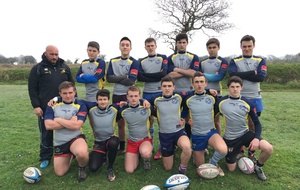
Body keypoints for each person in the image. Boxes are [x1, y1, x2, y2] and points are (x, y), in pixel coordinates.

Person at [215, 76, 273, 181]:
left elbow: (257, 124)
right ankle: (234, 152)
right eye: (232, 87)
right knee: (231, 169)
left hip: (245, 134)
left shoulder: (248, 103)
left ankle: (258, 166)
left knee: (268, 148)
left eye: (237, 86)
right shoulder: (221, 102)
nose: (235, 89)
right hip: (230, 138)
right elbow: (212, 117)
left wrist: (256, 138)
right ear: (228, 88)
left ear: (242, 87)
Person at [28, 45, 75, 169]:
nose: (54, 57)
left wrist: (75, 102)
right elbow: (32, 89)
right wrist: (36, 106)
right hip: (45, 108)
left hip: (65, 106)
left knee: (67, 129)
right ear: (45, 53)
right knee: (46, 133)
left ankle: (69, 152)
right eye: (52, 54)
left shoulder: (64, 67)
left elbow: (72, 87)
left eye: (56, 54)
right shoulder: (37, 69)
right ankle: (45, 157)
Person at [229, 35, 267, 161]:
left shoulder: (260, 60)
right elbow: (232, 75)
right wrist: (252, 73)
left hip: (255, 97)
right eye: (244, 46)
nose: (246, 48)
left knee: (252, 125)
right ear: (240, 47)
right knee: (239, 123)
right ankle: (239, 149)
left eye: (249, 46)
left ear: (253, 46)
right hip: (239, 97)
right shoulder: (234, 61)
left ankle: (251, 152)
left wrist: (241, 76)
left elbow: (261, 77)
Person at [44, 81, 89, 182]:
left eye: (70, 92)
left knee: (82, 153)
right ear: (59, 93)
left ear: (74, 92)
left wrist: (58, 119)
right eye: (65, 93)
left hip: (76, 138)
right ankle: (71, 154)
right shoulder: (52, 104)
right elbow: (48, 125)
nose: (68, 96)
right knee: (60, 173)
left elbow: (77, 126)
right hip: (60, 141)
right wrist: (70, 122)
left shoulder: (80, 104)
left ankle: (81, 168)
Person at [184, 72, 227, 176]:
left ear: (206, 83)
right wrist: (186, 120)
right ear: (193, 84)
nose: (199, 84)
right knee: (200, 168)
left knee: (223, 150)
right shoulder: (187, 98)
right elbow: (184, 113)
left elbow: (220, 108)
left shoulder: (212, 96)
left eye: (201, 82)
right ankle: (197, 155)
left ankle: (213, 163)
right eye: (197, 82)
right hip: (197, 135)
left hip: (210, 132)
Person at [106, 37, 139, 154]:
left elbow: (131, 80)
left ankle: (135, 144)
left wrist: (118, 78)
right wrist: (124, 77)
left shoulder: (134, 62)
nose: (125, 47)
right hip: (116, 95)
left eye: (127, 45)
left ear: (130, 47)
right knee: (119, 122)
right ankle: (121, 147)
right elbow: (109, 78)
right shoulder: (113, 61)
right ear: (119, 47)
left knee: (132, 121)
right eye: (123, 45)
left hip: (129, 95)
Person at [153, 76, 192, 175]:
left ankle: (182, 168)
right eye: (164, 86)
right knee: (168, 168)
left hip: (178, 131)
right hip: (165, 134)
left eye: (169, 86)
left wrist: (183, 117)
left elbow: (192, 97)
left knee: (187, 148)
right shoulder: (155, 99)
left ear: (174, 87)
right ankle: (169, 148)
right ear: (161, 87)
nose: (167, 88)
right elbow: (141, 101)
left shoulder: (179, 97)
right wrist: (143, 101)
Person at [137, 37, 168, 160]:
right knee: (149, 120)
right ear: (145, 47)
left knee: (162, 120)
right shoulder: (141, 60)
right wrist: (157, 76)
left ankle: (161, 147)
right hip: (147, 94)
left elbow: (163, 74)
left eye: (152, 45)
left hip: (159, 93)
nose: (150, 48)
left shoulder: (163, 57)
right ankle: (149, 145)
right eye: (148, 46)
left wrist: (147, 76)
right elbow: (140, 77)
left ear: (156, 46)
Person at [167, 33, 200, 139]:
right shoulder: (170, 57)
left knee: (188, 118)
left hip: (189, 91)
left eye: (183, 42)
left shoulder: (194, 57)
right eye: (179, 43)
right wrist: (186, 71)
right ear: (176, 44)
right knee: (174, 117)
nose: (182, 45)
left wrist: (178, 70)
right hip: (175, 91)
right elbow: (170, 75)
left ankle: (188, 140)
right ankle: (176, 141)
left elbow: (194, 74)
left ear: (187, 43)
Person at [86, 89, 121, 182]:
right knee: (93, 168)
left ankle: (110, 168)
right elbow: (76, 100)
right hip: (99, 142)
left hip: (110, 139)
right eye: (100, 99)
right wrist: (56, 98)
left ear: (108, 100)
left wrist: (144, 101)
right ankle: (102, 156)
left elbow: (130, 103)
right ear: (96, 100)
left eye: (105, 99)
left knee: (114, 143)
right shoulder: (91, 107)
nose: (103, 102)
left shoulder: (114, 108)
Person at [119, 86, 153, 173]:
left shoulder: (146, 107)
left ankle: (146, 159)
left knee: (145, 153)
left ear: (139, 96)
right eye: (131, 96)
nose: (133, 98)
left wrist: (143, 100)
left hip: (144, 140)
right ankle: (137, 155)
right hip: (132, 142)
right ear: (127, 97)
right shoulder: (123, 109)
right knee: (129, 170)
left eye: (135, 96)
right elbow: (110, 107)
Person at [200, 38, 228, 134]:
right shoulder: (202, 62)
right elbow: (198, 78)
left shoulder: (223, 61)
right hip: (204, 93)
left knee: (216, 121)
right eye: (210, 48)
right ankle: (206, 143)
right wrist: (212, 75)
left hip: (217, 93)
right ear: (207, 49)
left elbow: (219, 77)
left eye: (214, 47)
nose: (212, 49)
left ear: (218, 48)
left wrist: (204, 75)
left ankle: (218, 143)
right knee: (205, 121)